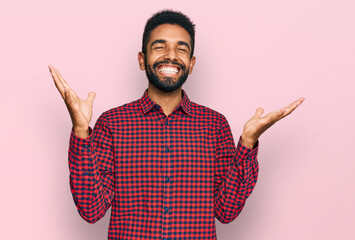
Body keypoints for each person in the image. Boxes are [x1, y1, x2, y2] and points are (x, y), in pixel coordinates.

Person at [49, 10, 304, 240]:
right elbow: (91, 210)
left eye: (182, 49)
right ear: (141, 59)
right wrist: (82, 132)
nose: (171, 55)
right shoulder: (112, 124)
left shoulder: (214, 125)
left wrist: (247, 144)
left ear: (191, 64)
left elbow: (226, 211)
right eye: (159, 47)